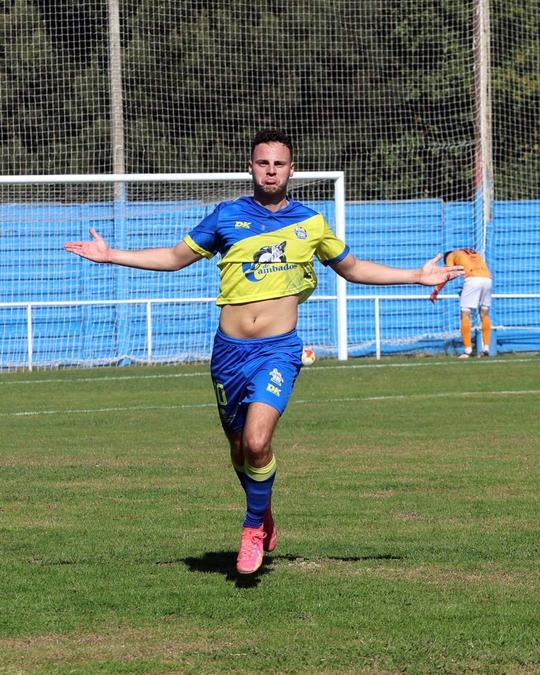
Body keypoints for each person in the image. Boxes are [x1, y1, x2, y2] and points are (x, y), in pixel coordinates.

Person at [65, 129, 463, 574]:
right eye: (263, 162)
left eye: (279, 163)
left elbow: (352, 268)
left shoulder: (311, 223)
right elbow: (175, 258)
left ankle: (252, 528)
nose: (271, 170)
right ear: (250, 167)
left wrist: (415, 276)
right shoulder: (226, 216)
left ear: (292, 170)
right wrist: (111, 255)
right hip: (228, 353)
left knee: (258, 442)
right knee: (240, 452)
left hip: (278, 350)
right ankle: (264, 509)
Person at [430, 247, 493, 358]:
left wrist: (436, 291)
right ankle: (486, 348)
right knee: (484, 314)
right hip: (487, 279)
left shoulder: (450, 256)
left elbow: (447, 274)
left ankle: (468, 350)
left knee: (465, 315)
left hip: (473, 280)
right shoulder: (468, 252)